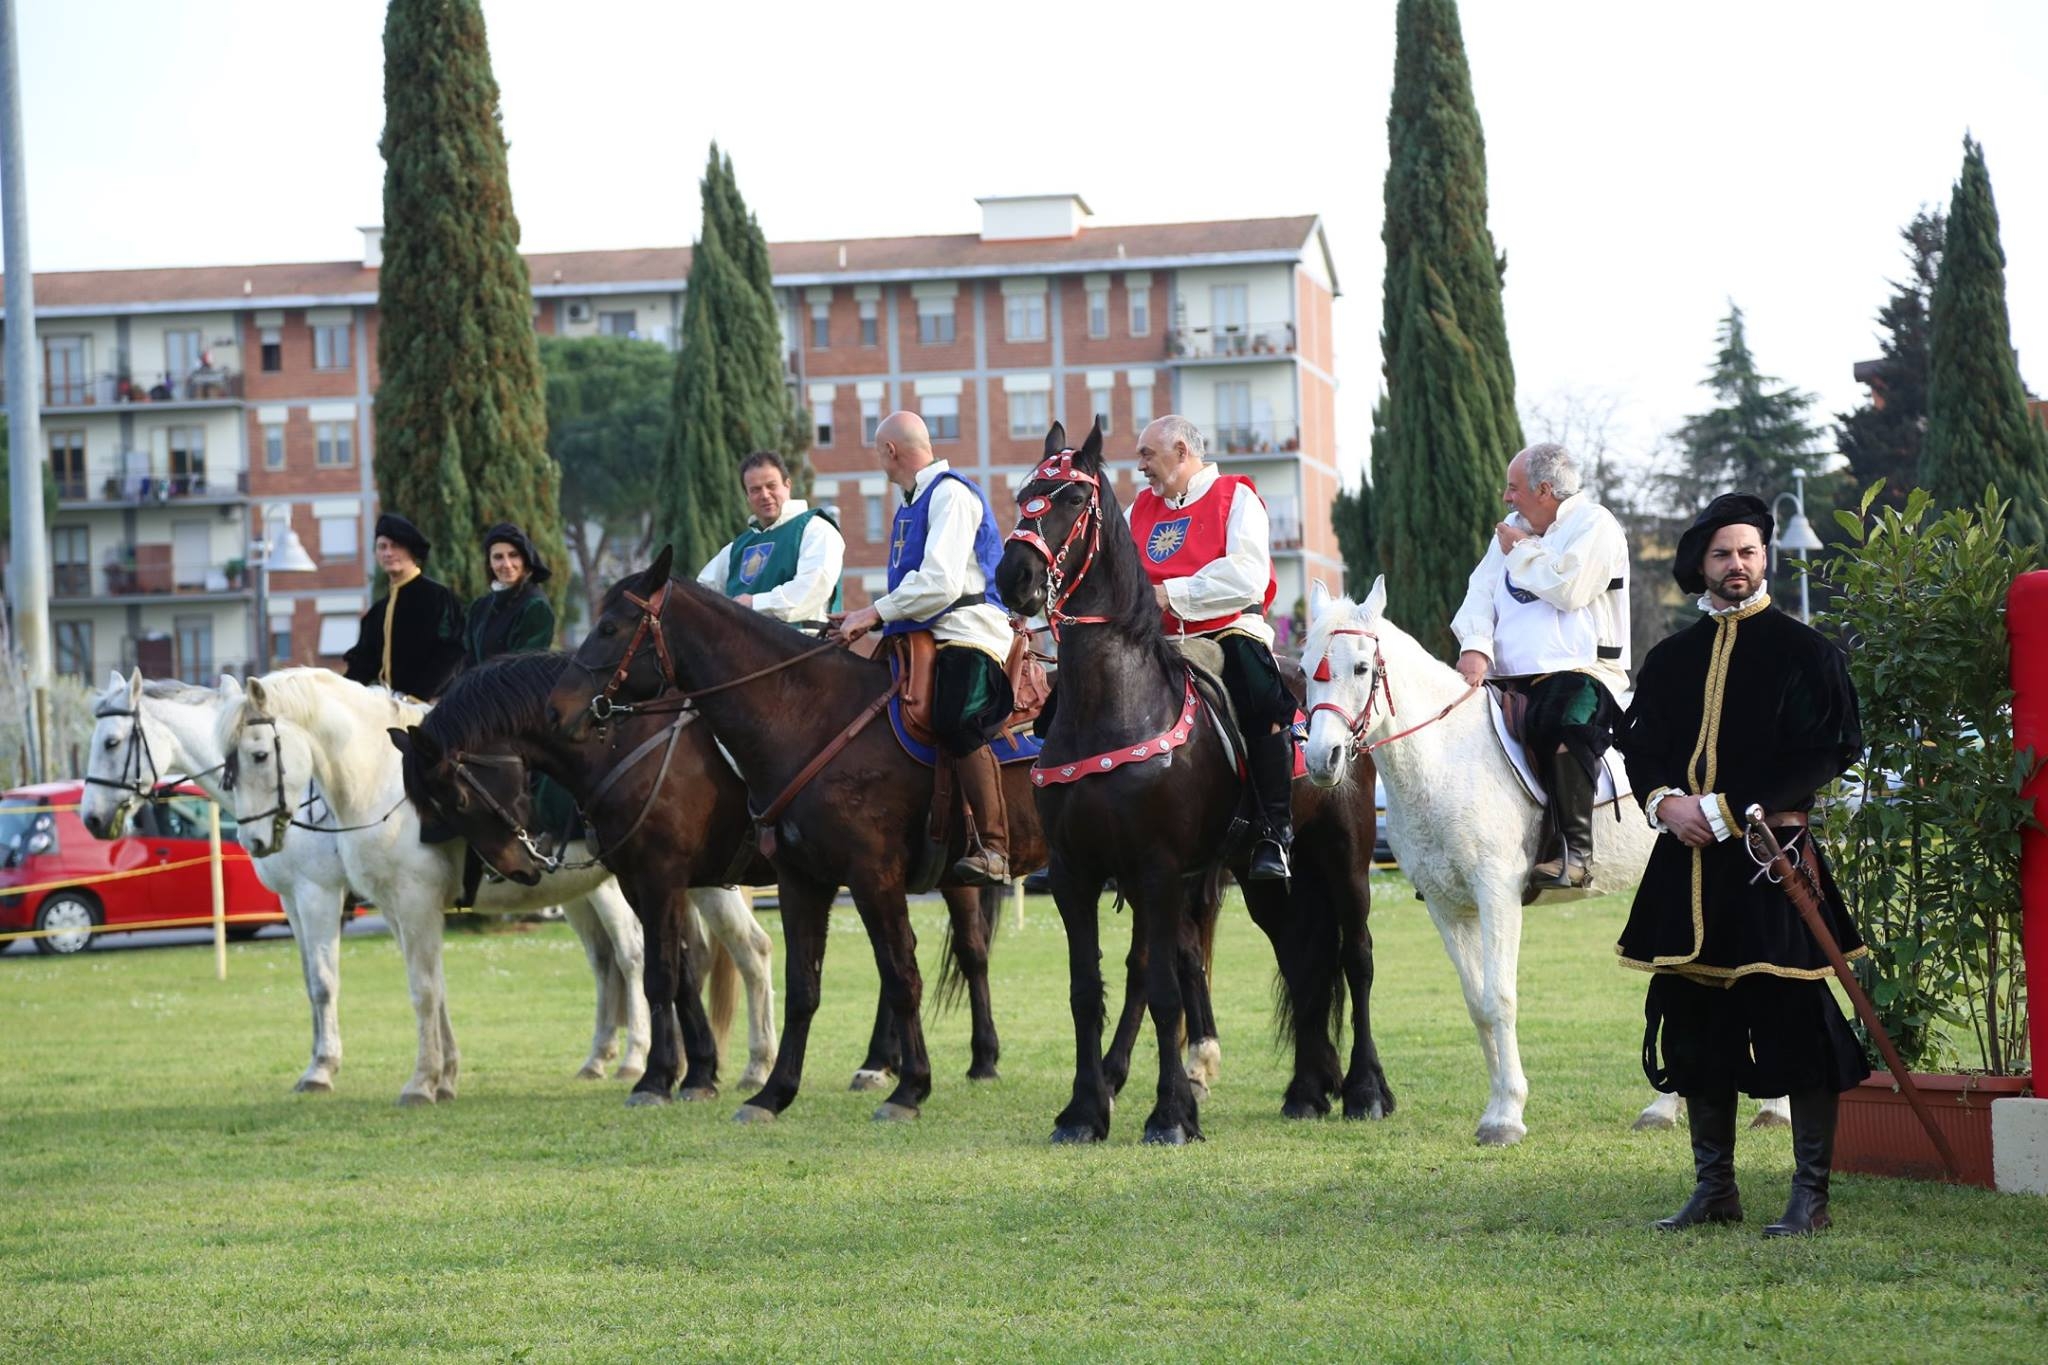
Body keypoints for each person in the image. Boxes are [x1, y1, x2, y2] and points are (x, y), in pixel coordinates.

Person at [1615, 493, 1869, 1237]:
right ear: (1703, 564)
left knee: (1798, 1024)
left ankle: (1809, 1196)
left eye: (1750, 552)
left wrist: (1725, 810)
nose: (1737, 565)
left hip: (1770, 861)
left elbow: (1829, 748)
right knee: (1696, 1028)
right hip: (1687, 872)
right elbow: (1643, 749)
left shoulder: (1806, 652)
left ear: (1766, 559)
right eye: (1724, 553)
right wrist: (1665, 803)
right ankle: (1715, 1188)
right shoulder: (1670, 659)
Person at [836, 411, 1012, 885]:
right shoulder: (910, 503)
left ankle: (995, 848)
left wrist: (872, 613)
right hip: (921, 632)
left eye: (878, 452)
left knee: (958, 716)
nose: (879, 461)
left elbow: (940, 584)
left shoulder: (950, 494)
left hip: (968, 629)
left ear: (890, 451)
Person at [1450, 442, 1630, 891]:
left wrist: (1522, 552)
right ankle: (1461, 854)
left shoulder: (1596, 525)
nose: (1507, 499)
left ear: (1545, 489)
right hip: (1505, 677)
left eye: (1514, 489)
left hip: (1584, 673)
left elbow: (1568, 588)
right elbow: (1480, 590)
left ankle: (1575, 853)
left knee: (1563, 719)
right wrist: (1475, 646)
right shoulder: (1513, 529)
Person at [1128, 415, 1291, 880]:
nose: (1140, 466)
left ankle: (1274, 832)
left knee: (1259, 697)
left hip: (1227, 628)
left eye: (1147, 455)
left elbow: (1247, 577)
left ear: (1181, 452)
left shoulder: (1236, 495)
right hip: (1153, 637)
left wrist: (1169, 594)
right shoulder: (1137, 509)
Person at [695, 451, 845, 625]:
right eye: (755, 490)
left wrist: (754, 603)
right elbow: (702, 591)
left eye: (771, 486)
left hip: (803, 645)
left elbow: (810, 590)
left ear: (787, 485)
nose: (765, 495)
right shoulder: (737, 548)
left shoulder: (816, 529)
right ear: (748, 497)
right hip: (744, 647)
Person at [341, 513, 466, 701]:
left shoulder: (437, 597)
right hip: (391, 709)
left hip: (435, 706)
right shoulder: (378, 612)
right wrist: (335, 694)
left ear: (412, 551)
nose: (388, 553)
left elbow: (451, 653)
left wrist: (416, 698)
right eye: (382, 547)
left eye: (396, 546)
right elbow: (363, 665)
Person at [465, 522, 557, 665]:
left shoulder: (535, 607)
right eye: (498, 557)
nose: (507, 565)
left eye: (513, 555)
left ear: (525, 559)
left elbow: (521, 670)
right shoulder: (479, 607)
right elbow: (467, 663)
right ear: (489, 563)